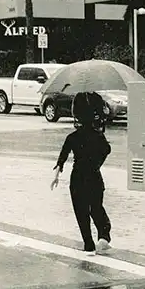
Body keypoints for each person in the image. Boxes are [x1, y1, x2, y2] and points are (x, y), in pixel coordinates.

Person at [51, 92, 113, 255]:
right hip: (94, 175)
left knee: (81, 212)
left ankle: (88, 243)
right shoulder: (98, 136)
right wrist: (97, 162)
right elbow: (106, 150)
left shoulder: (72, 137)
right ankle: (104, 235)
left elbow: (62, 157)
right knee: (97, 207)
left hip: (77, 178)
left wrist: (57, 171)